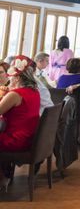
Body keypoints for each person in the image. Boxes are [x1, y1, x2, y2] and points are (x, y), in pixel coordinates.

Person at [0, 56, 41, 190]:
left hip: (15, 139)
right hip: (29, 137)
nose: (9, 79)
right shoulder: (34, 92)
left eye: (10, 77)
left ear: (17, 78)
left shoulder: (15, 95)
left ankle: (2, 178)